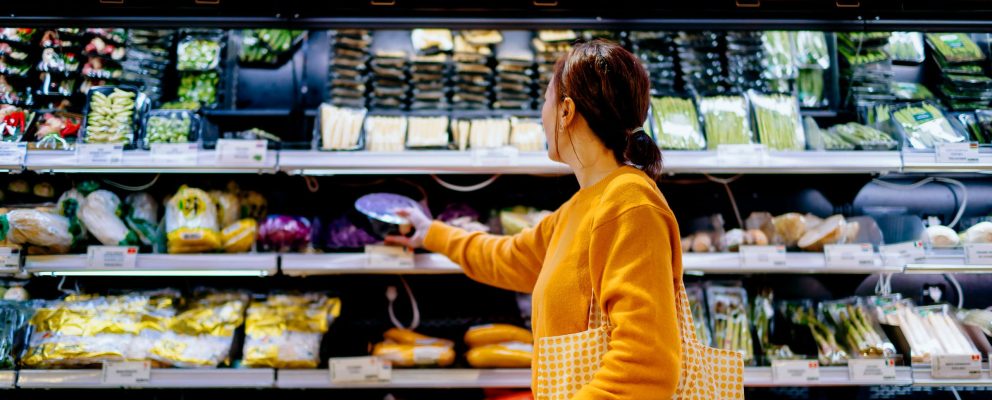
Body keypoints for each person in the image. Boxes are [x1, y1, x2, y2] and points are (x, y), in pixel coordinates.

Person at [388, 39, 682, 399]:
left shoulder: (630, 205)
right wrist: (431, 232)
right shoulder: (580, 208)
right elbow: (508, 257)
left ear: (566, 111)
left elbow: (646, 369)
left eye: (545, 100)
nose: (541, 115)